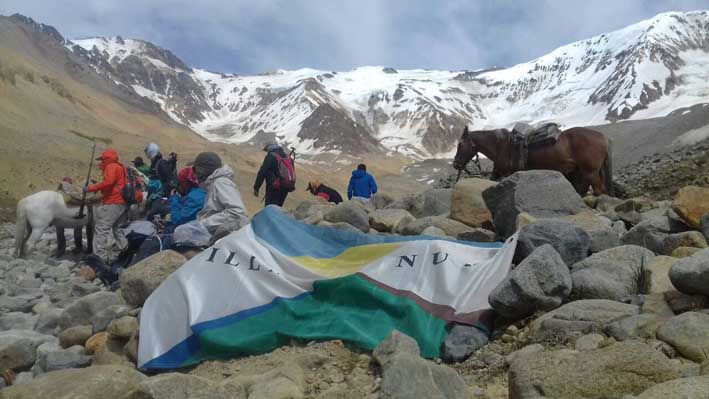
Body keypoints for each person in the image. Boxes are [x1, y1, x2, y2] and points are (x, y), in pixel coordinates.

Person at [83, 148, 128, 262]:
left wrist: (90, 188)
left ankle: (99, 258)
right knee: (117, 228)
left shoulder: (111, 166)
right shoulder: (120, 167)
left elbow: (108, 182)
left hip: (113, 201)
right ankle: (126, 249)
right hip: (122, 202)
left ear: (106, 159)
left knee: (101, 228)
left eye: (102, 160)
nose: (101, 163)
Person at [194, 152, 249, 235]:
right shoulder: (214, 183)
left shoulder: (220, 182)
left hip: (217, 235)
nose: (194, 173)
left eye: (195, 169)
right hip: (212, 232)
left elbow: (237, 212)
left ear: (201, 170)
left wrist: (203, 224)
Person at [165, 166, 206, 231]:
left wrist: (174, 199)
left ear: (186, 184)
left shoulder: (194, 198)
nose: (178, 187)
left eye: (180, 184)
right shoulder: (199, 192)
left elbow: (177, 220)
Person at [253, 142, 293, 207]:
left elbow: (262, 172)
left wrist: (256, 188)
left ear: (269, 148)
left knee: (270, 209)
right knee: (277, 209)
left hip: (274, 188)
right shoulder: (287, 157)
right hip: (285, 188)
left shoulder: (271, 156)